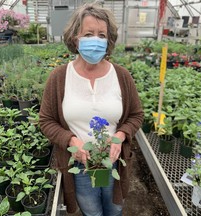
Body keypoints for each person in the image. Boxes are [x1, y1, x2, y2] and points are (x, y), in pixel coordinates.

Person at [39, 3, 144, 216]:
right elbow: (46, 120)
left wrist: (121, 136)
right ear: (75, 38)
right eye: (88, 33)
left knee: (114, 209)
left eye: (101, 35)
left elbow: (136, 115)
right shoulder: (59, 77)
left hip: (114, 162)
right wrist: (71, 140)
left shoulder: (121, 76)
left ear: (108, 40)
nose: (95, 40)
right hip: (80, 166)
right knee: (91, 212)